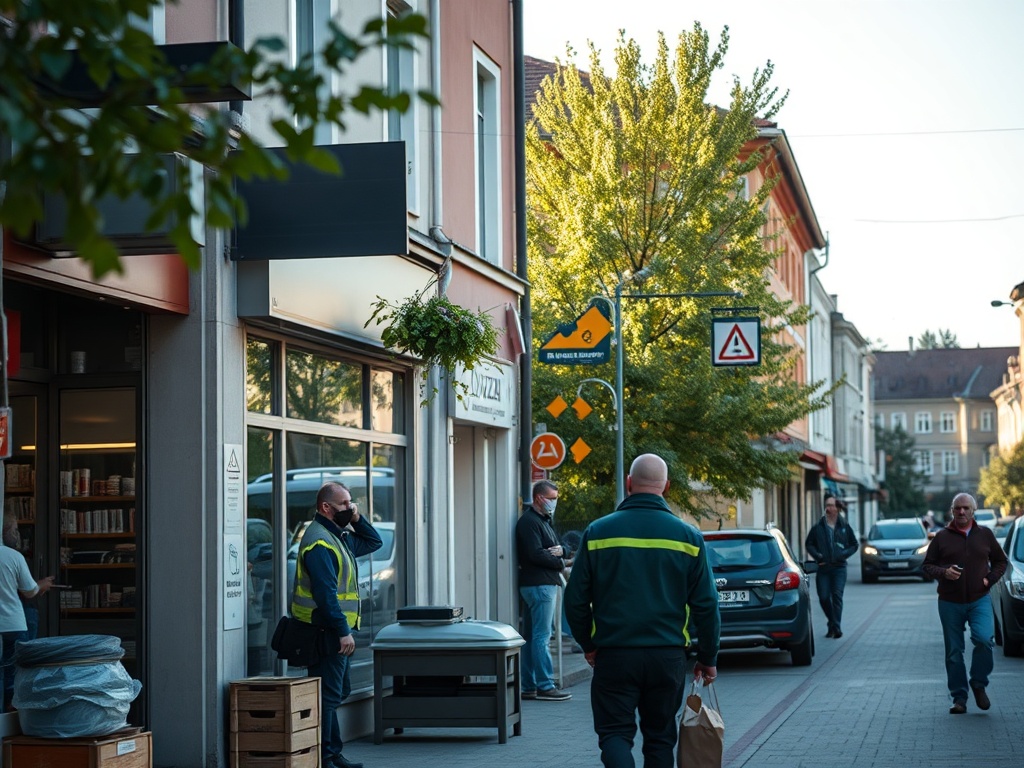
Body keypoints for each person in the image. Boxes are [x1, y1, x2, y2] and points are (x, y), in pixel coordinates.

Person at [565, 454, 720, 768]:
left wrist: (589, 644)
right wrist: (708, 657)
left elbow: (576, 600)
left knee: (614, 734)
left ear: (629, 483)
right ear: (666, 486)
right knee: (660, 739)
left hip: (615, 655)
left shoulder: (598, 532)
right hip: (667, 657)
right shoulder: (689, 537)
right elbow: (706, 604)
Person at [291, 482, 382, 768]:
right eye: (344, 504)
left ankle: (332, 753)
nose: (350, 507)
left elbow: (372, 542)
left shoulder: (337, 536)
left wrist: (356, 518)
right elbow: (325, 594)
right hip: (325, 631)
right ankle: (326, 756)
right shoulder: (319, 542)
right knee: (328, 695)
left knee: (337, 692)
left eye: (351, 503)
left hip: (334, 630)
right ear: (325, 507)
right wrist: (343, 631)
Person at [922, 492, 1006, 715]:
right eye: (957, 508)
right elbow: (927, 566)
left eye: (966, 508)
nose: (961, 512)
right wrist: (943, 572)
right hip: (950, 602)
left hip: (979, 599)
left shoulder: (985, 535)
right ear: (952, 511)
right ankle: (959, 698)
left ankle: (978, 683)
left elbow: (1001, 561)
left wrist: (990, 579)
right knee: (954, 651)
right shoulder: (941, 537)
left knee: (984, 639)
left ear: (973, 510)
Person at [515, 479, 573, 701]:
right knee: (541, 636)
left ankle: (529, 686)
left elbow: (559, 548)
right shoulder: (530, 522)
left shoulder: (542, 521)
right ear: (539, 498)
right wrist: (559, 562)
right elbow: (536, 554)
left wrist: (563, 552)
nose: (554, 503)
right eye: (552, 499)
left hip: (538, 584)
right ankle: (545, 685)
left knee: (531, 636)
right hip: (540, 586)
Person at [0, 514, 53, 711]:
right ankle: (9, 714)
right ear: (4, 532)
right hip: (12, 624)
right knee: (14, 671)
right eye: (14, 530)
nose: (17, 534)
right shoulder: (13, 556)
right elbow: (30, 591)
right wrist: (42, 585)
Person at [805, 494, 858, 638]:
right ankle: (832, 622)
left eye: (831, 505)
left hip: (839, 568)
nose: (828, 508)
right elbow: (809, 543)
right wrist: (818, 555)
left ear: (837, 508)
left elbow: (854, 545)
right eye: (827, 505)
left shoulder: (844, 526)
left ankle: (836, 627)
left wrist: (843, 554)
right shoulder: (818, 527)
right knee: (823, 597)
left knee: (837, 596)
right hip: (824, 568)